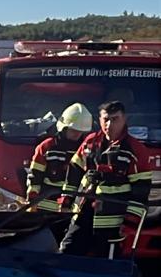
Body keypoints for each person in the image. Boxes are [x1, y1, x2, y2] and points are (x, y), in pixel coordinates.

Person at [58, 99, 153, 258]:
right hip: (83, 214)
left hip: (112, 222)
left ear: (125, 119)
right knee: (66, 253)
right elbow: (75, 170)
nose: (109, 124)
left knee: (107, 265)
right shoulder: (90, 142)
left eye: (115, 119)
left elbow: (141, 190)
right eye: (105, 119)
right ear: (99, 119)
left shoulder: (136, 150)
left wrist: (130, 222)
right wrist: (67, 198)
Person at [25, 102, 93, 212]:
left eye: (80, 132)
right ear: (64, 127)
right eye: (73, 130)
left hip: (71, 209)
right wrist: (32, 200)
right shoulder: (47, 146)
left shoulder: (85, 150)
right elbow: (35, 176)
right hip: (44, 208)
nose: (77, 134)